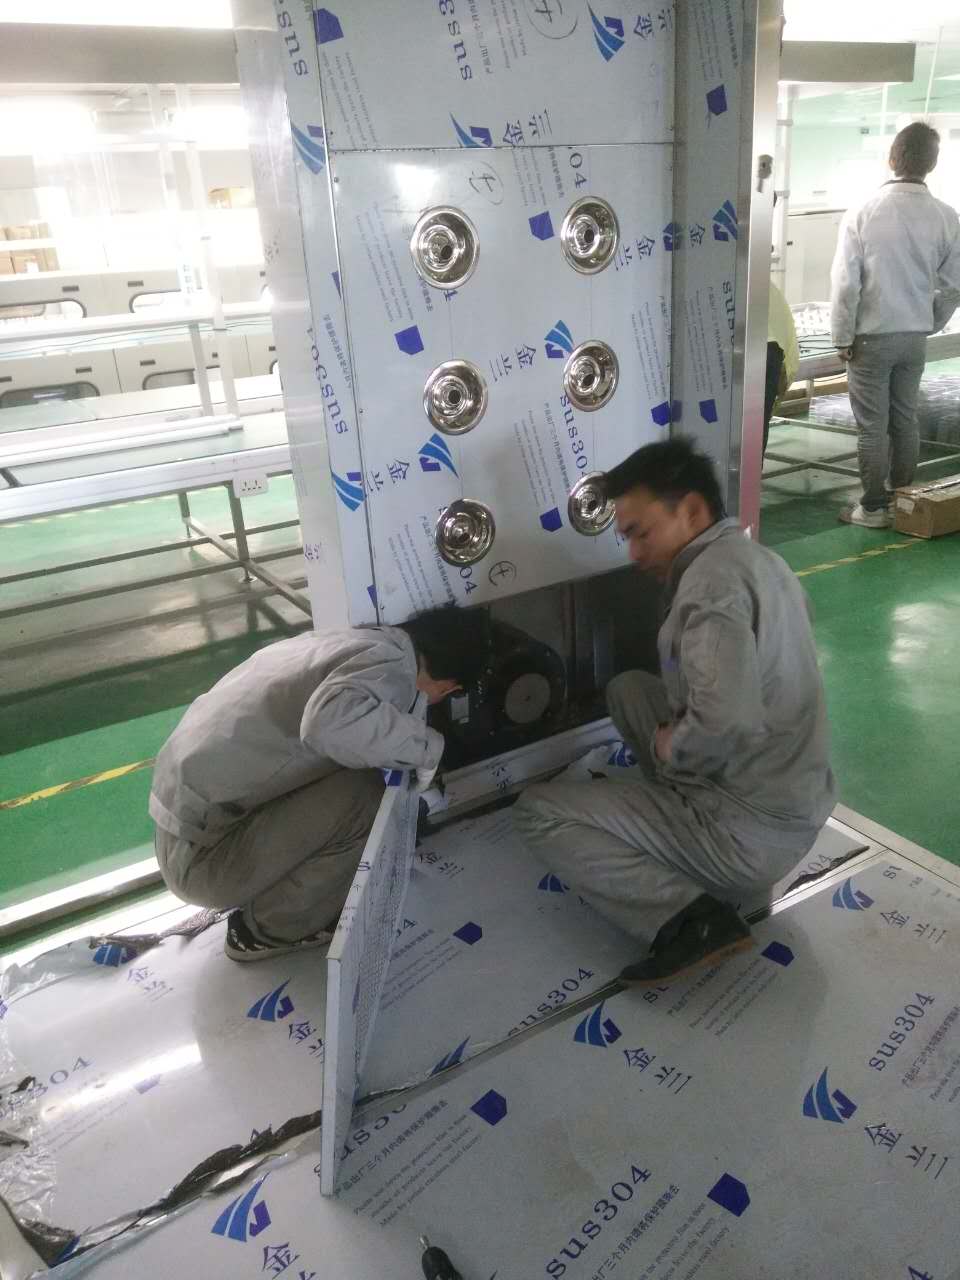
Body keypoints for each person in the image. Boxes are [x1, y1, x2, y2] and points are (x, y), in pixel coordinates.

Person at [513, 438, 836, 984]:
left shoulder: (709, 584)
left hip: (746, 832)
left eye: (641, 533)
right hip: (793, 800)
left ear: (691, 510)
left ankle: (690, 921)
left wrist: (674, 744)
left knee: (538, 811)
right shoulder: (757, 559)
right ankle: (674, 822)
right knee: (629, 691)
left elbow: (727, 722)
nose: (634, 554)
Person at [150, 607, 488, 961]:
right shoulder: (396, 671)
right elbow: (328, 724)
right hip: (204, 862)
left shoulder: (356, 642)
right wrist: (427, 748)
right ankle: (266, 928)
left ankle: (267, 895)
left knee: (348, 775)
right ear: (450, 687)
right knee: (367, 799)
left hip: (181, 828)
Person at [830, 121, 960, 528]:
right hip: (914, 338)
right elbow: (954, 285)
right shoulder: (946, 216)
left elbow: (846, 283)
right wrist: (930, 322)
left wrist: (842, 336)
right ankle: (903, 501)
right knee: (905, 418)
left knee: (872, 426)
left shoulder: (864, 212)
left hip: (871, 338)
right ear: (932, 164)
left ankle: (872, 509)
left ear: (892, 158)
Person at [763, 278, 800, 457]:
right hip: (772, 351)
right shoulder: (763, 283)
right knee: (757, 423)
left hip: (757, 351)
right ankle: (753, 471)